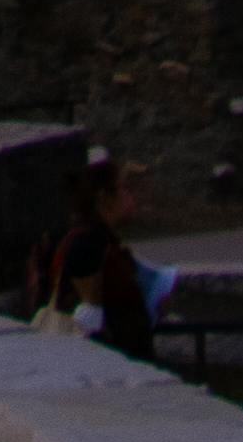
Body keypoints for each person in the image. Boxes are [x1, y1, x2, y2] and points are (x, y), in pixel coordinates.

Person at [29, 144, 157, 357]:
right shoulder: (88, 245)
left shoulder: (100, 240)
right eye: (123, 188)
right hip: (111, 365)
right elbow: (90, 317)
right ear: (104, 198)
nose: (129, 196)